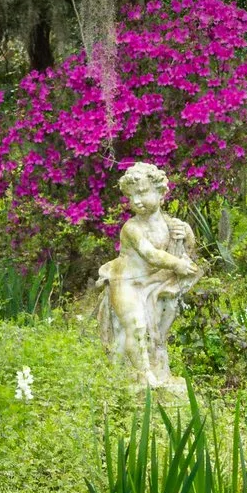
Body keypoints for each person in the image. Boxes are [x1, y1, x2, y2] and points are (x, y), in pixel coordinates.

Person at [95, 162, 203, 398]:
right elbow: (151, 254)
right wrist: (176, 264)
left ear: (161, 192)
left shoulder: (170, 224)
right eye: (131, 196)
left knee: (157, 333)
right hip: (127, 282)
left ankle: (157, 369)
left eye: (142, 193)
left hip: (153, 283)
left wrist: (186, 235)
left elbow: (188, 249)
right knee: (136, 326)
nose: (137, 201)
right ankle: (143, 374)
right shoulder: (131, 228)